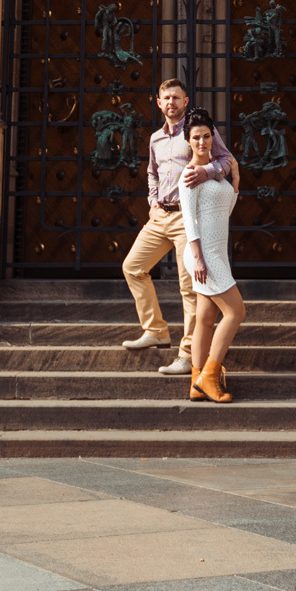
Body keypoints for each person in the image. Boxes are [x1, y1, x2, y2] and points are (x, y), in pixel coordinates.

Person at [119, 76, 230, 377]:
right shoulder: (155, 138)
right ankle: (155, 329)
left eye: (177, 98)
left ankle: (186, 353)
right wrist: (152, 201)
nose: (171, 103)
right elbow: (152, 172)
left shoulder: (197, 132)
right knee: (132, 267)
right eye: (166, 98)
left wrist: (208, 172)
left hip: (187, 217)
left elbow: (227, 161)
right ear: (158, 102)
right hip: (160, 217)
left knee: (189, 286)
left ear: (185, 101)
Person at [177, 109, 243, 404]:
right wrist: (199, 259)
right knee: (236, 312)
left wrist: (236, 180)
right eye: (196, 138)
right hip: (203, 255)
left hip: (217, 252)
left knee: (205, 318)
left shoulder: (217, 172)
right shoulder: (190, 175)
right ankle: (209, 376)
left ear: (212, 136)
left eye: (206, 136)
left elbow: (224, 213)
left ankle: (195, 381)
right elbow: (189, 221)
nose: (202, 142)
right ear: (188, 141)